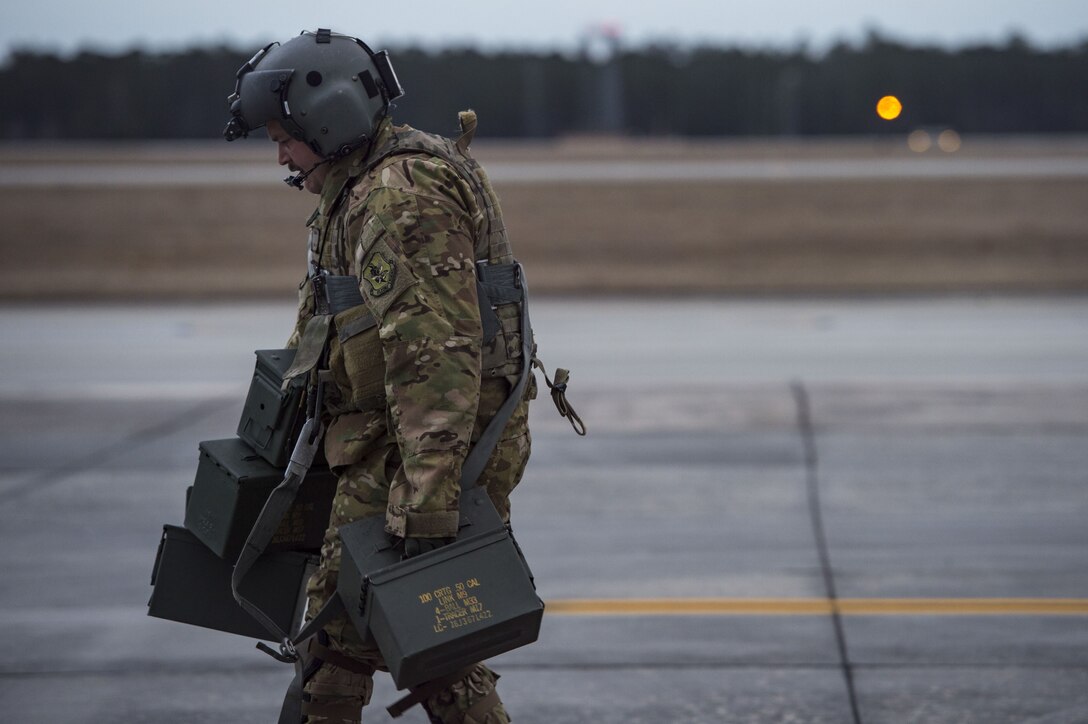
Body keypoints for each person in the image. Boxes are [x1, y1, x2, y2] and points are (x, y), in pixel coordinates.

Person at [223, 28, 554, 724]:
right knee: (410, 640)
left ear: (328, 117)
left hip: (420, 453)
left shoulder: (398, 199)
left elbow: (432, 356)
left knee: (359, 642)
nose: (279, 154)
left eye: (284, 136)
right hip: (394, 446)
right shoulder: (362, 187)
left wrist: (428, 500)